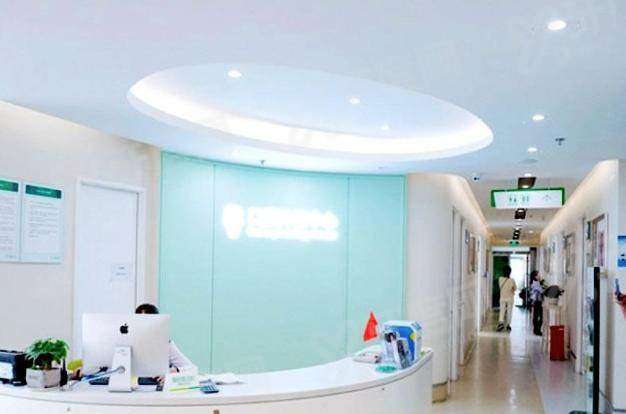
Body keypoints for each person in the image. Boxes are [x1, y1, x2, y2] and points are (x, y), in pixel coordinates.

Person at [135, 303, 196, 373]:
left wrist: (175, 370)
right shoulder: (130, 342)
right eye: (139, 320)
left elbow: (191, 368)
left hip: (153, 379)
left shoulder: (165, 344)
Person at [497, 265, 517, 332]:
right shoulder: (512, 280)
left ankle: (501, 323)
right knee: (509, 311)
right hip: (510, 298)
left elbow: (500, 287)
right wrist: (511, 288)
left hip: (502, 298)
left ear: (503, 271)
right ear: (510, 272)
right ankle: (508, 325)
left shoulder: (500, 279)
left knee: (502, 310)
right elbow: (515, 288)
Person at [530, 271, 545, 336]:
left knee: (537, 316)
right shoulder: (535, 283)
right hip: (537, 301)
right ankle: (537, 330)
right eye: (538, 275)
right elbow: (541, 291)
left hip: (538, 301)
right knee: (538, 316)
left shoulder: (537, 283)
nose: (539, 276)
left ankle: (537, 330)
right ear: (535, 276)